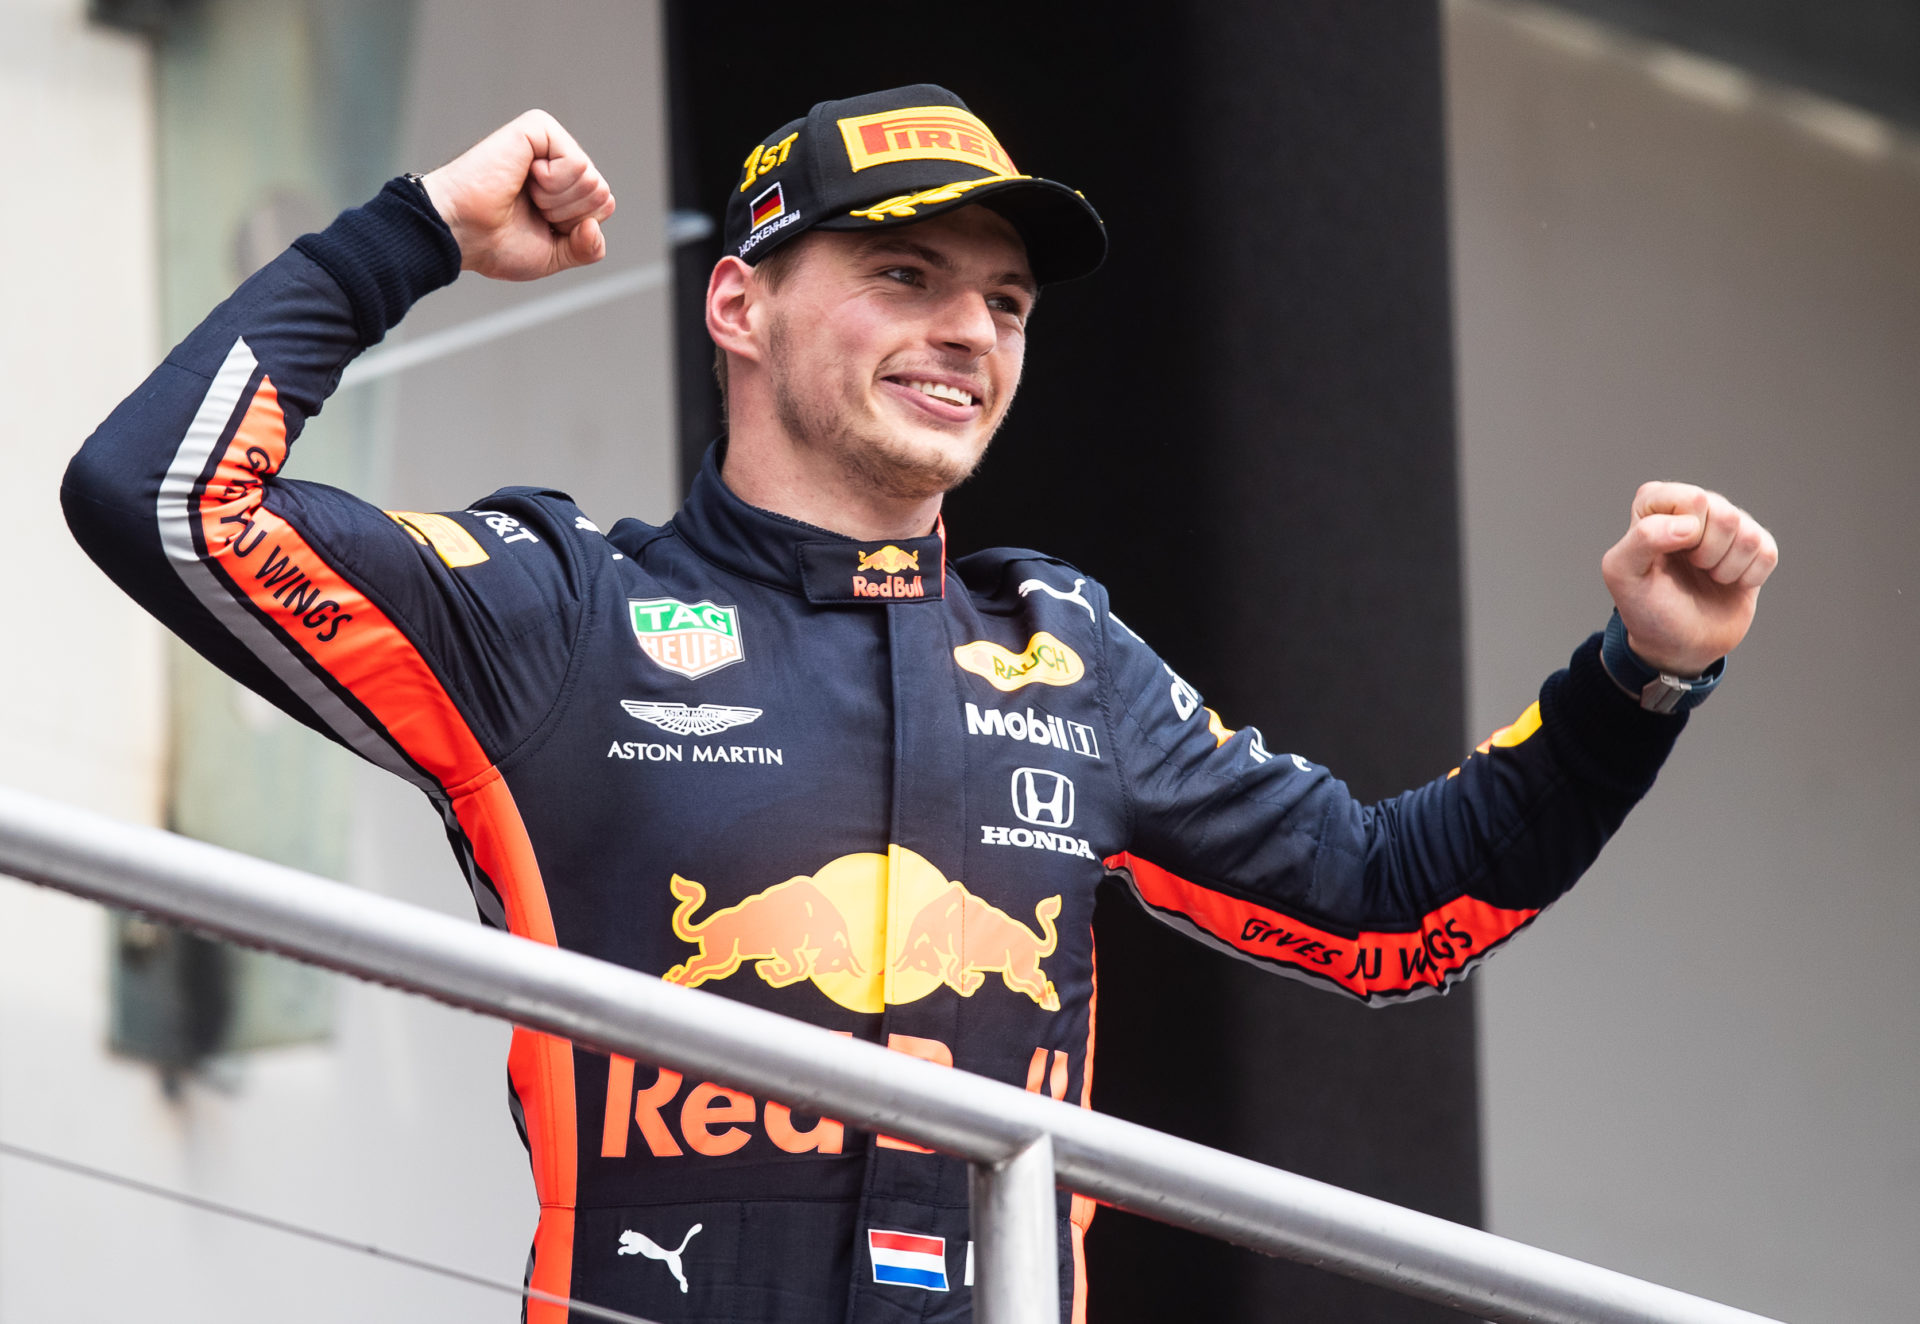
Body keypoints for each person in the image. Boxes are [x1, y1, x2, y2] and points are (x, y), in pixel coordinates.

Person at [64, 85, 1777, 1324]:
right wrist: (413, 234)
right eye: (903, 275)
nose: (970, 329)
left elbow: (1398, 911)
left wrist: (1640, 678)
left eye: (1008, 303)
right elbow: (160, 491)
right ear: (738, 301)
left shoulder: (1068, 660)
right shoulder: (563, 610)